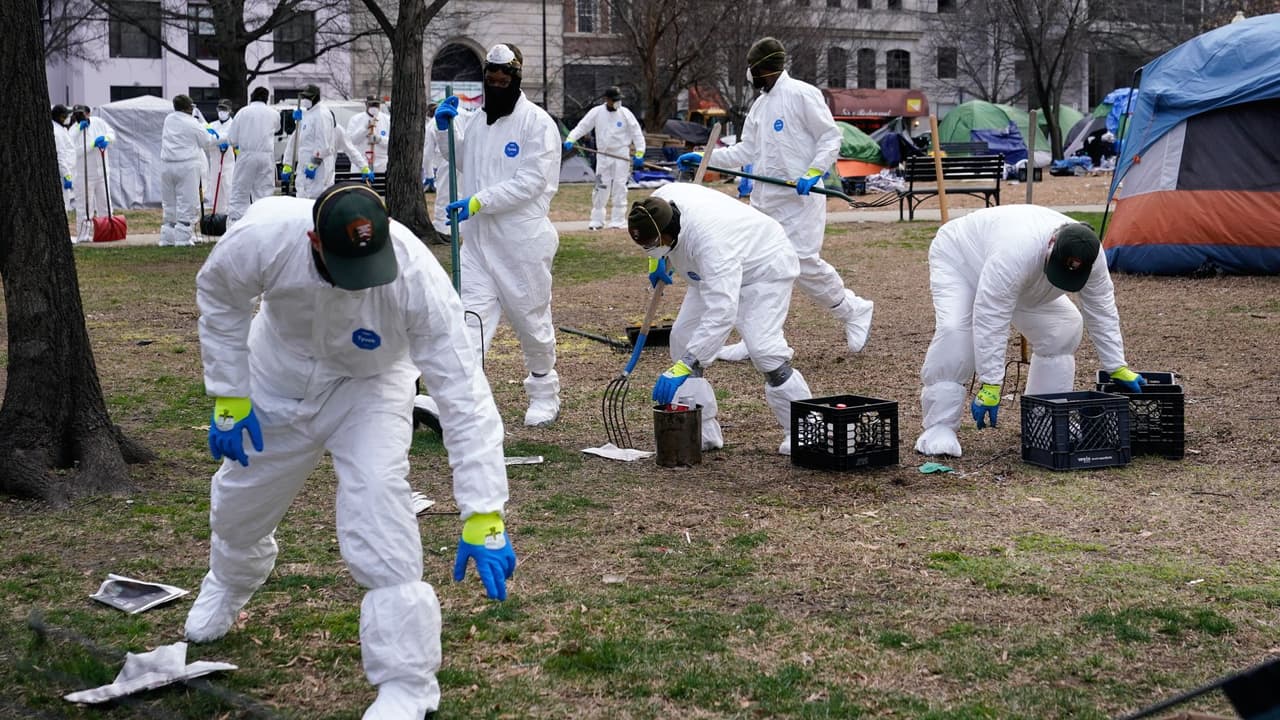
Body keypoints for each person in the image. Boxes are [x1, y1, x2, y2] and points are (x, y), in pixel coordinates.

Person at [186, 182, 516, 718]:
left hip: (371, 388)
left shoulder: (417, 277)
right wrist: (230, 392)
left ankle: (407, 682)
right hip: (277, 379)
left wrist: (484, 512)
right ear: (314, 241)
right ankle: (229, 579)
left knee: (379, 507)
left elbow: (464, 395)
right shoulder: (264, 234)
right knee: (241, 504)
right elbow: (221, 296)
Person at [678, 36, 874, 360]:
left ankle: (853, 310)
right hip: (764, 203)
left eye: (751, 69)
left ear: (761, 69)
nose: (749, 76)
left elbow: (830, 137)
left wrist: (814, 171)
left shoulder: (802, 94)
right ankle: (758, 337)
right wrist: (705, 158)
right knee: (755, 268)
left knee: (802, 263)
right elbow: (745, 151)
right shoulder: (759, 106)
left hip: (799, 201)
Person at [914, 205, 1147, 458]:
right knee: (956, 332)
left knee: (1064, 327)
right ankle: (939, 427)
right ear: (1051, 246)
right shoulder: (1014, 253)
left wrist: (1116, 365)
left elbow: (1102, 308)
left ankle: (1043, 422)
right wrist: (991, 383)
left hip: (1024, 280)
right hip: (961, 260)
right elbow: (991, 316)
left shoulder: (1093, 257)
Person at [628, 184, 815, 455]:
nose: (650, 249)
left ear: (669, 231)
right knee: (682, 339)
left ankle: (805, 431)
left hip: (763, 268)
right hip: (707, 272)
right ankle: (701, 431)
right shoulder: (657, 203)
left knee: (764, 351)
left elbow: (722, 313)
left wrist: (687, 364)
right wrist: (656, 260)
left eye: (654, 245)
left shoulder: (713, 246)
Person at [433, 43, 564, 427]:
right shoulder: (476, 121)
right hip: (477, 244)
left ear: (516, 79)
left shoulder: (537, 124)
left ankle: (544, 393)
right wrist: (444, 130)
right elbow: (459, 158)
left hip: (521, 243)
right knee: (469, 320)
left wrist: (480, 201)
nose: (496, 85)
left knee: (531, 321)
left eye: (503, 81)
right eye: (490, 80)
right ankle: (461, 400)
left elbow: (531, 181)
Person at [563, 86, 645, 230]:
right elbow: (583, 126)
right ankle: (597, 220)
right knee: (600, 186)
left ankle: (618, 220)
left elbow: (636, 133)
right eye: (614, 100)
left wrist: (640, 152)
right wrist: (571, 138)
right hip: (603, 155)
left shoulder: (625, 113)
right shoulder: (597, 112)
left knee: (619, 187)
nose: (617, 102)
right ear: (607, 100)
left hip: (621, 155)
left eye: (618, 100)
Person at [280, 84, 370, 199]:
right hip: (304, 169)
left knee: (316, 197)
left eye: (308, 97)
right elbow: (294, 141)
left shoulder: (331, 124)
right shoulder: (307, 117)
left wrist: (363, 167)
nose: (305, 100)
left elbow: (348, 150)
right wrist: (287, 164)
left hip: (321, 170)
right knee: (302, 196)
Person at [158, 94, 217, 247]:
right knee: (187, 201)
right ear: (188, 108)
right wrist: (217, 136)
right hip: (186, 165)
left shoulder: (168, 119)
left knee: (169, 202)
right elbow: (207, 142)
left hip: (166, 165)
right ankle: (183, 239)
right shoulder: (192, 123)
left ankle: (167, 237)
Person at [225, 86, 281, 225]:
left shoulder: (243, 112)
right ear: (266, 98)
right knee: (264, 193)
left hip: (247, 155)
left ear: (252, 96)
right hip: (266, 157)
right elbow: (277, 128)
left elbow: (232, 139)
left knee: (240, 191)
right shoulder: (274, 113)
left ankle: (236, 224)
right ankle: (263, 223)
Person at [68, 104, 117, 242]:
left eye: (82, 113)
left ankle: (106, 232)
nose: (79, 117)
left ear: (88, 113)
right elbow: (73, 152)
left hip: (102, 172)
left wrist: (107, 139)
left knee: (105, 204)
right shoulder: (73, 131)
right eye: (76, 114)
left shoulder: (99, 122)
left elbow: (112, 134)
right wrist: (91, 145)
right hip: (84, 175)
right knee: (85, 206)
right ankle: (83, 235)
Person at [346, 95, 390, 178]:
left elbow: (393, 143)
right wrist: (365, 129)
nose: (374, 107)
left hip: (381, 164)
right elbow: (350, 141)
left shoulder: (387, 120)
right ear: (366, 104)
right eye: (371, 105)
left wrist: (380, 139)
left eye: (376, 105)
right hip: (361, 163)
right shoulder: (355, 119)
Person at [205, 98, 236, 217]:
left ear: (230, 111)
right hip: (215, 162)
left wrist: (218, 140)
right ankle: (218, 216)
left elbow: (232, 139)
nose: (222, 112)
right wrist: (220, 140)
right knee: (215, 191)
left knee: (228, 188)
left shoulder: (233, 125)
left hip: (228, 163)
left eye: (224, 109)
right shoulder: (211, 125)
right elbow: (207, 141)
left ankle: (230, 216)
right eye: (220, 109)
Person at [51, 104, 76, 215]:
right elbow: (60, 156)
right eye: (66, 116)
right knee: (63, 204)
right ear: (60, 117)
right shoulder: (56, 132)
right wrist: (67, 176)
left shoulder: (60, 129)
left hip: (65, 172)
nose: (68, 118)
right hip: (62, 176)